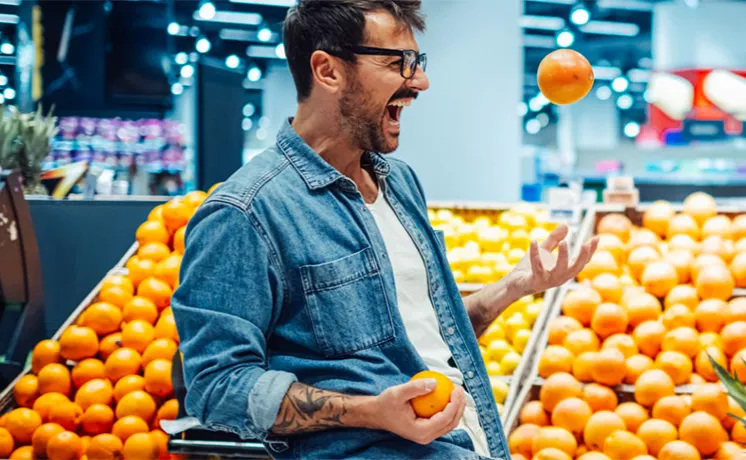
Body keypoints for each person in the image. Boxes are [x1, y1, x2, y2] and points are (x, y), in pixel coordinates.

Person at [170, 1, 598, 458]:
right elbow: (216, 387)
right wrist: (371, 412)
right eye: (399, 63)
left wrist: (514, 286)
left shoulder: (399, 184)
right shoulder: (246, 212)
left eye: (417, 61)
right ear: (328, 71)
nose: (420, 81)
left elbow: (423, 334)